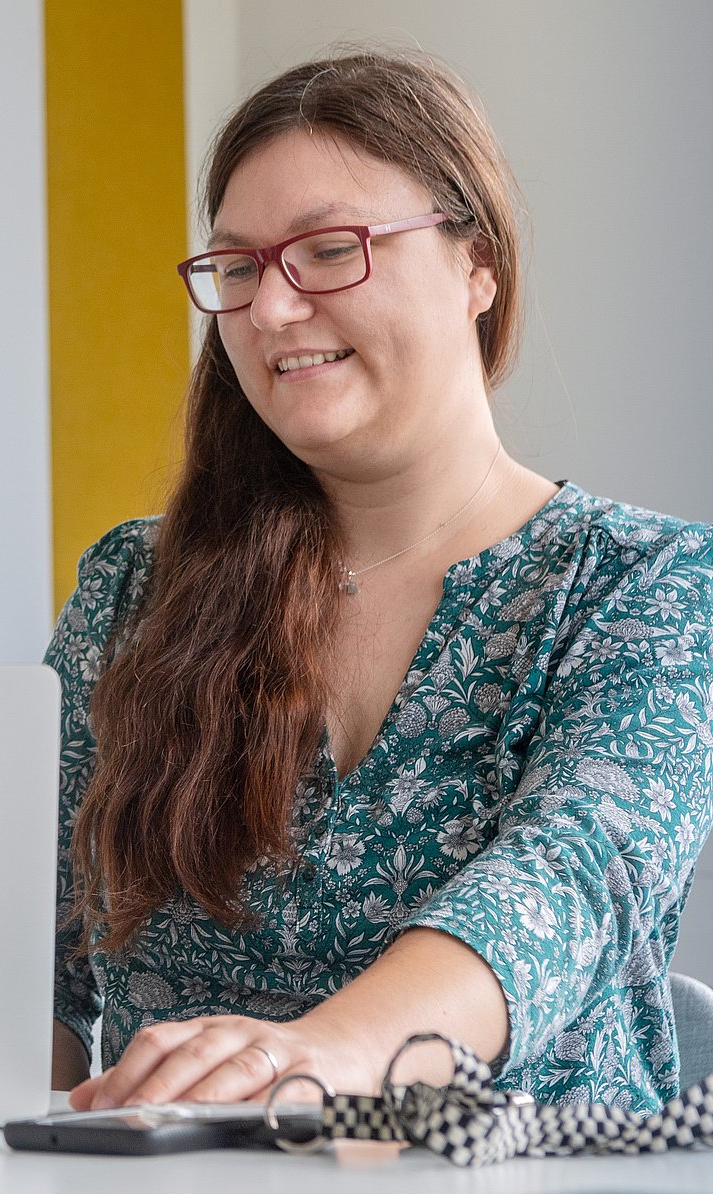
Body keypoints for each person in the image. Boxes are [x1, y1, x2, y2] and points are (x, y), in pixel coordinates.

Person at [47, 51, 713, 1113]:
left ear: (475, 266)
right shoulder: (134, 588)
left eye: (327, 250)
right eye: (240, 269)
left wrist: (306, 1057)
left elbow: (569, 883)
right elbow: (19, 966)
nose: (269, 311)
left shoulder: (652, 585)